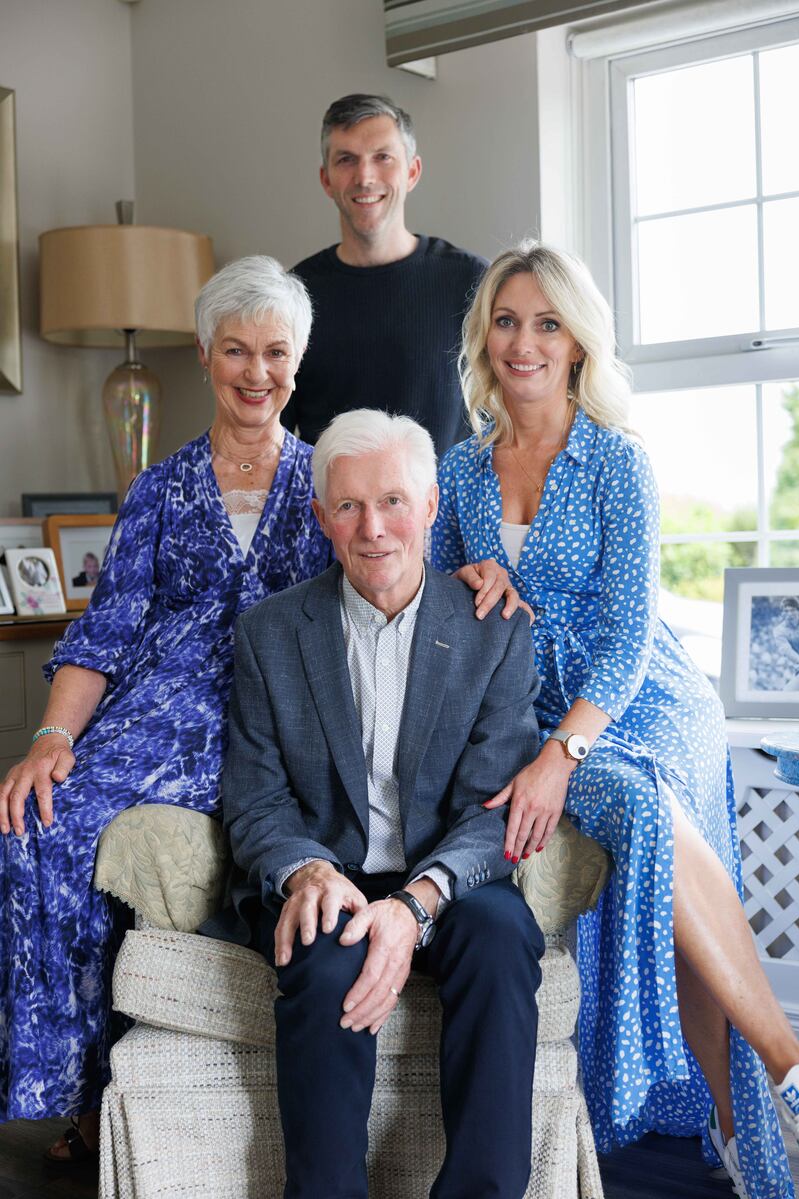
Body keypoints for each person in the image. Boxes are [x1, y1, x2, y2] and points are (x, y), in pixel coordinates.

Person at [432, 241, 799, 1199]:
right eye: (507, 321)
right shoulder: (459, 472)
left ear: (579, 342)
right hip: (526, 706)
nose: (525, 342)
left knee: (643, 802)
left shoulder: (615, 461)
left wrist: (565, 752)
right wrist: (464, 578)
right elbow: (424, 605)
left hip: (637, 697)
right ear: (485, 337)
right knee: (648, 841)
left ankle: (783, 1075)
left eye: (548, 323)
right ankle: (758, 1132)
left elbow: (633, 636)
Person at [0, 255, 332, 1162]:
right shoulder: (159, 487)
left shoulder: (331, 484)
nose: (256, 372)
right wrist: (50, 738)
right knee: (35, 822)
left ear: (299, 359)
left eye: (274, 352)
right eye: (236, 350)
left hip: (282, 718)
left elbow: (392, 576)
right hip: (162, 714)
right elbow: (102, 633)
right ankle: (78, 1090)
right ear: (202, 354)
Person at [210, 409, 544, 1199]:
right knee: (324, 960)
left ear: (430, 507)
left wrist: (418, 901)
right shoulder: (269, 634)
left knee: (503, 941)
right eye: (350, 506)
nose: (374, 529)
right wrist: (304, 872)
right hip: (331, 873)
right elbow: (255, 795)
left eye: (394, 501)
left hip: (451, 878)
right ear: (322, 517)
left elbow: (496, 809)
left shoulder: (493, 630)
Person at [281, 94, 486, 459]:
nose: (365, 177)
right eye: (346, 160)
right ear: (326, 180)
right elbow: (274, 438)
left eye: (383, 157)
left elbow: (507, 418)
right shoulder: (293, 295)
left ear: (412, 172)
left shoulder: (471, 282)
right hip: (328, 514)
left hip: (446, 515)